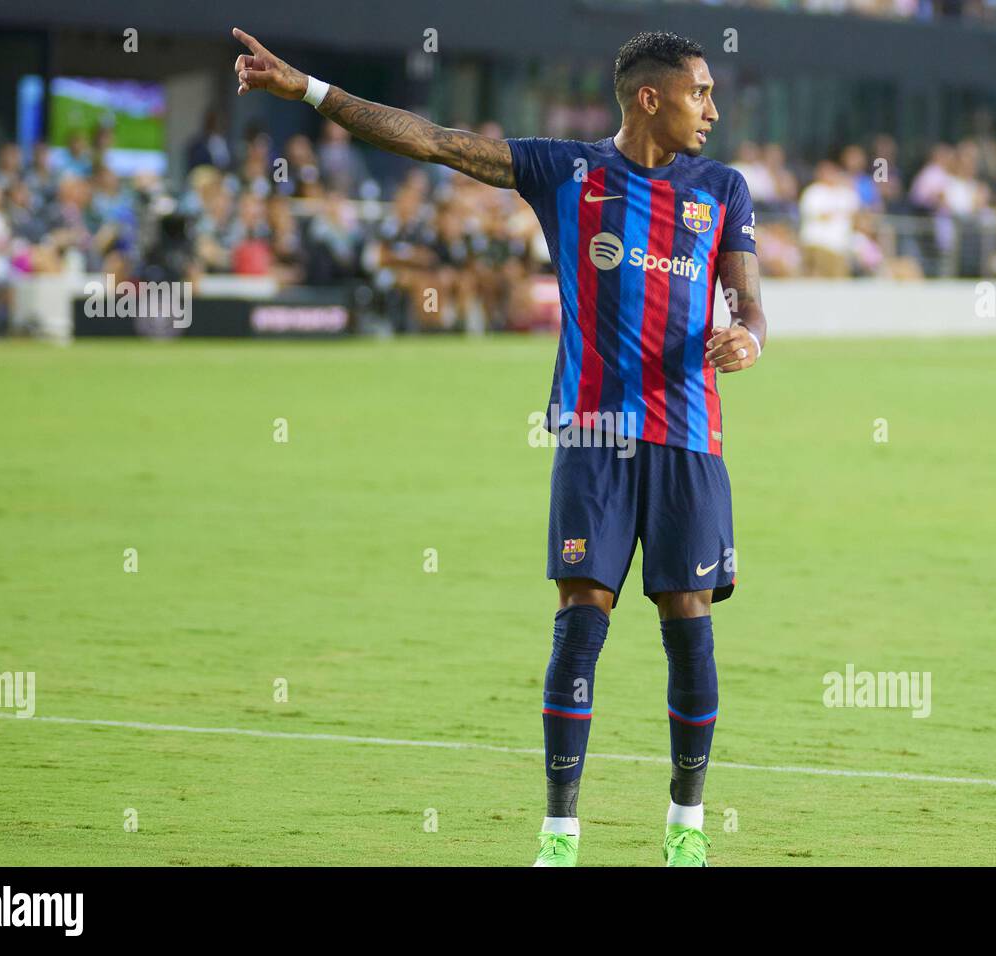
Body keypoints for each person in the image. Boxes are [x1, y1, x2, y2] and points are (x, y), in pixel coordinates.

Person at [232, 25, 766, 867]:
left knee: (688, 624)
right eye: (700, 92)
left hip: (691, 439)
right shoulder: (569, 173)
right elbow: (436, 142)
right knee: (579, 623)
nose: (714, 108)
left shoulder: (723, 188)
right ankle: (560, 835)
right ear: (650, 97)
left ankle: (686, 826)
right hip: (594, 435)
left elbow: (750, 304)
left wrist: (750, 340)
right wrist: (306, 91)